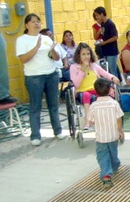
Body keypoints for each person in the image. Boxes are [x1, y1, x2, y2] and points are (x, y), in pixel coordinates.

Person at [15, 13, 63, 146]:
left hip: (51, 74)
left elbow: (56, 58)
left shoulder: (46, 38)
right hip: (34, 76)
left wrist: (53, 51)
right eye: (33, 22)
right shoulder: (22, 40)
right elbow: (23, 59)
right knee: (35, 106)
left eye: (38, 21)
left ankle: (58, 130)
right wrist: (36, 47)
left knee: (53, 104)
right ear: (27, 25)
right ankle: (35, 135)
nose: (36, 24)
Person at [70, 43, 120, 131]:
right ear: (79, 55)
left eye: (88, 54)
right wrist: (82, 70)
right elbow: (76, 84)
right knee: (86, 95)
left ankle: (108, 121)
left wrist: (113, 77)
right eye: (83, 54)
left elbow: (104, 73)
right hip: (82, 91)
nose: (86, 57)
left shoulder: (94, 65)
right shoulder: (74, 67)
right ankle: (88, 121)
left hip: (96, 90)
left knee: (104, 95)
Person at [87, 77, 124, 189]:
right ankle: (115, 165)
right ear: (109, 90)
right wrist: (120, 131)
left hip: (101, 137)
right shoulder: (114, 104)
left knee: (102, 156)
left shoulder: (93, 105)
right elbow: (118, 119)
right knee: (113, 152)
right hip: (113, 135)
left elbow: (91, 120)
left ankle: (106, 175)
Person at [93, 6, 120, 78]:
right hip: (105, 51)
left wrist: (105, 42)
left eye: (97, 15)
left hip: (111, 51)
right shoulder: (102, 24)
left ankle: (116, 87)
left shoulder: (110, 23)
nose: (96, 17)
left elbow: (115, 37)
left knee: (112, 71)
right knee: (107, 71)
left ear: (102, 14)